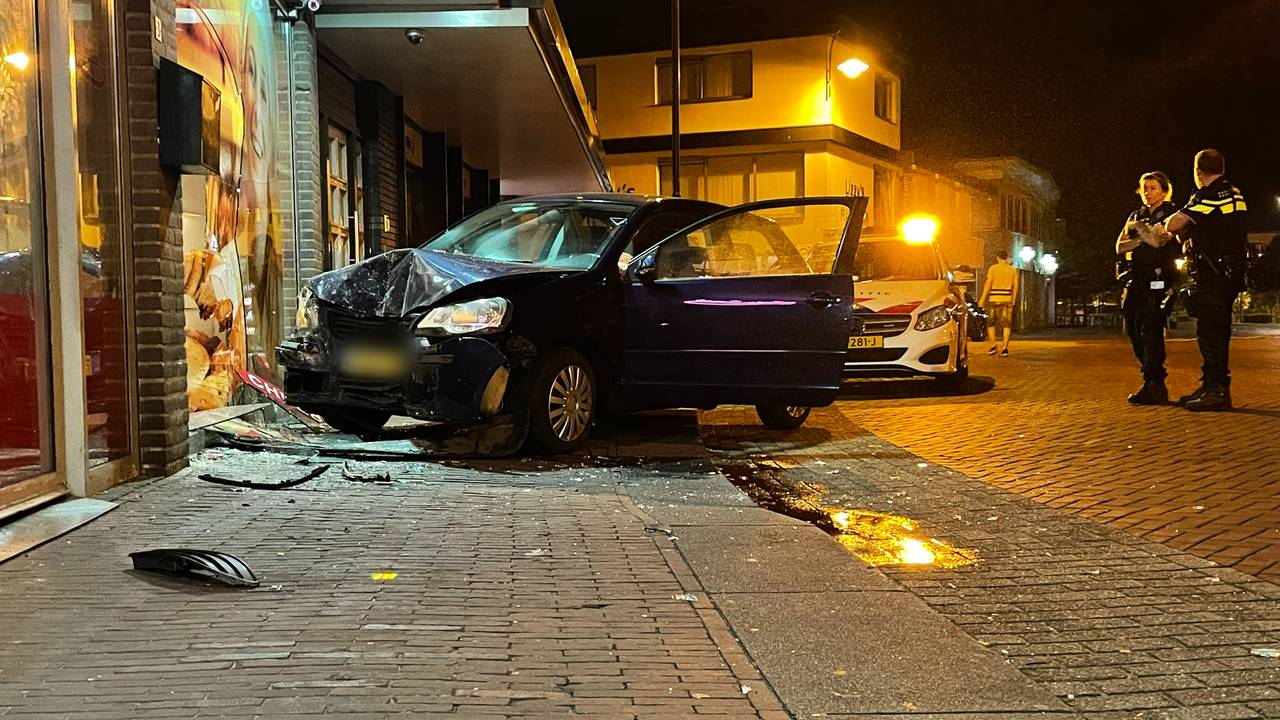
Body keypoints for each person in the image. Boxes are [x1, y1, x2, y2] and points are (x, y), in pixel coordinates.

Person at [1155, 149, 1248, 411]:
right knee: (1214, 330)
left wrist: (1182, 224)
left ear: (1198, 172)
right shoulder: (1234, 192)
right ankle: (1210, 385)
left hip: (1214, 273)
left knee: (1211, 332)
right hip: (1227, 271)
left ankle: (1216, 389)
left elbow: (1174, 224)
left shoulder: (1212, 194)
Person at [1115, 171, 1181, 404]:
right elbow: (1120, 246)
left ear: (1163, 190)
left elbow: (1159, 240)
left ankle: (1154, 382)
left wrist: (1143, 236)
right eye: (1144, 188)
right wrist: (1144, 235)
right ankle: (1150, 373)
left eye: (1152, 188)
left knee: (1152, 328)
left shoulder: (1172, 213)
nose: (1147, 192)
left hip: (1159, 278)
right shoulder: (1137, 215)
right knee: (1132, 326)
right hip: (1137, 278)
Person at [978, 249, 1019, 356]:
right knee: (1006, 324)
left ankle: (993, 345)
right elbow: (1015, 287)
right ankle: (1005, 348)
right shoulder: (1012, 270)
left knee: (991, 323)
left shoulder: (993, 268)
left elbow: (988, 283)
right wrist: (1013, 300)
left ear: (997, 257)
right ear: (1006, 258)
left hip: (994, 299)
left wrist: (982, 298)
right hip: (1007, 299)